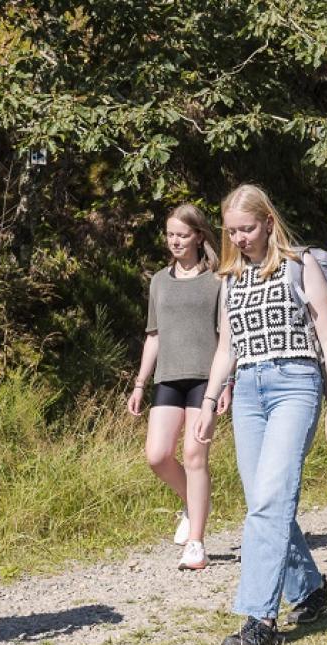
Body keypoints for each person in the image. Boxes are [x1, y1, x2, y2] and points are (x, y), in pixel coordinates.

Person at [194, 184, 327, 645]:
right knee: (263, 500)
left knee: (270, 500)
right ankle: (310, 590)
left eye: (247, 229)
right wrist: (209, 403)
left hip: (296, 383)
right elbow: (227, 348)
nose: (239, 238)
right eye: (231, 231)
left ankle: (259, 618)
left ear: (268, 222)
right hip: (247, 391)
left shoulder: (301, 265)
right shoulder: (230, 278)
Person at [127, 204, 232, 571]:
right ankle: (194, 501)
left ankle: (196, 543)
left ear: (198, 236)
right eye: (170, 234)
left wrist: (226, 384)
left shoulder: (218, 279)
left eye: (182, 235)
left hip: (206, 379)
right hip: (168, 377)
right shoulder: (159, 280)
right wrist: (139, 384)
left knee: (194, 456)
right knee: (157, 455)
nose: (174, 241)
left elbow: (227, 337)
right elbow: (153, 336)